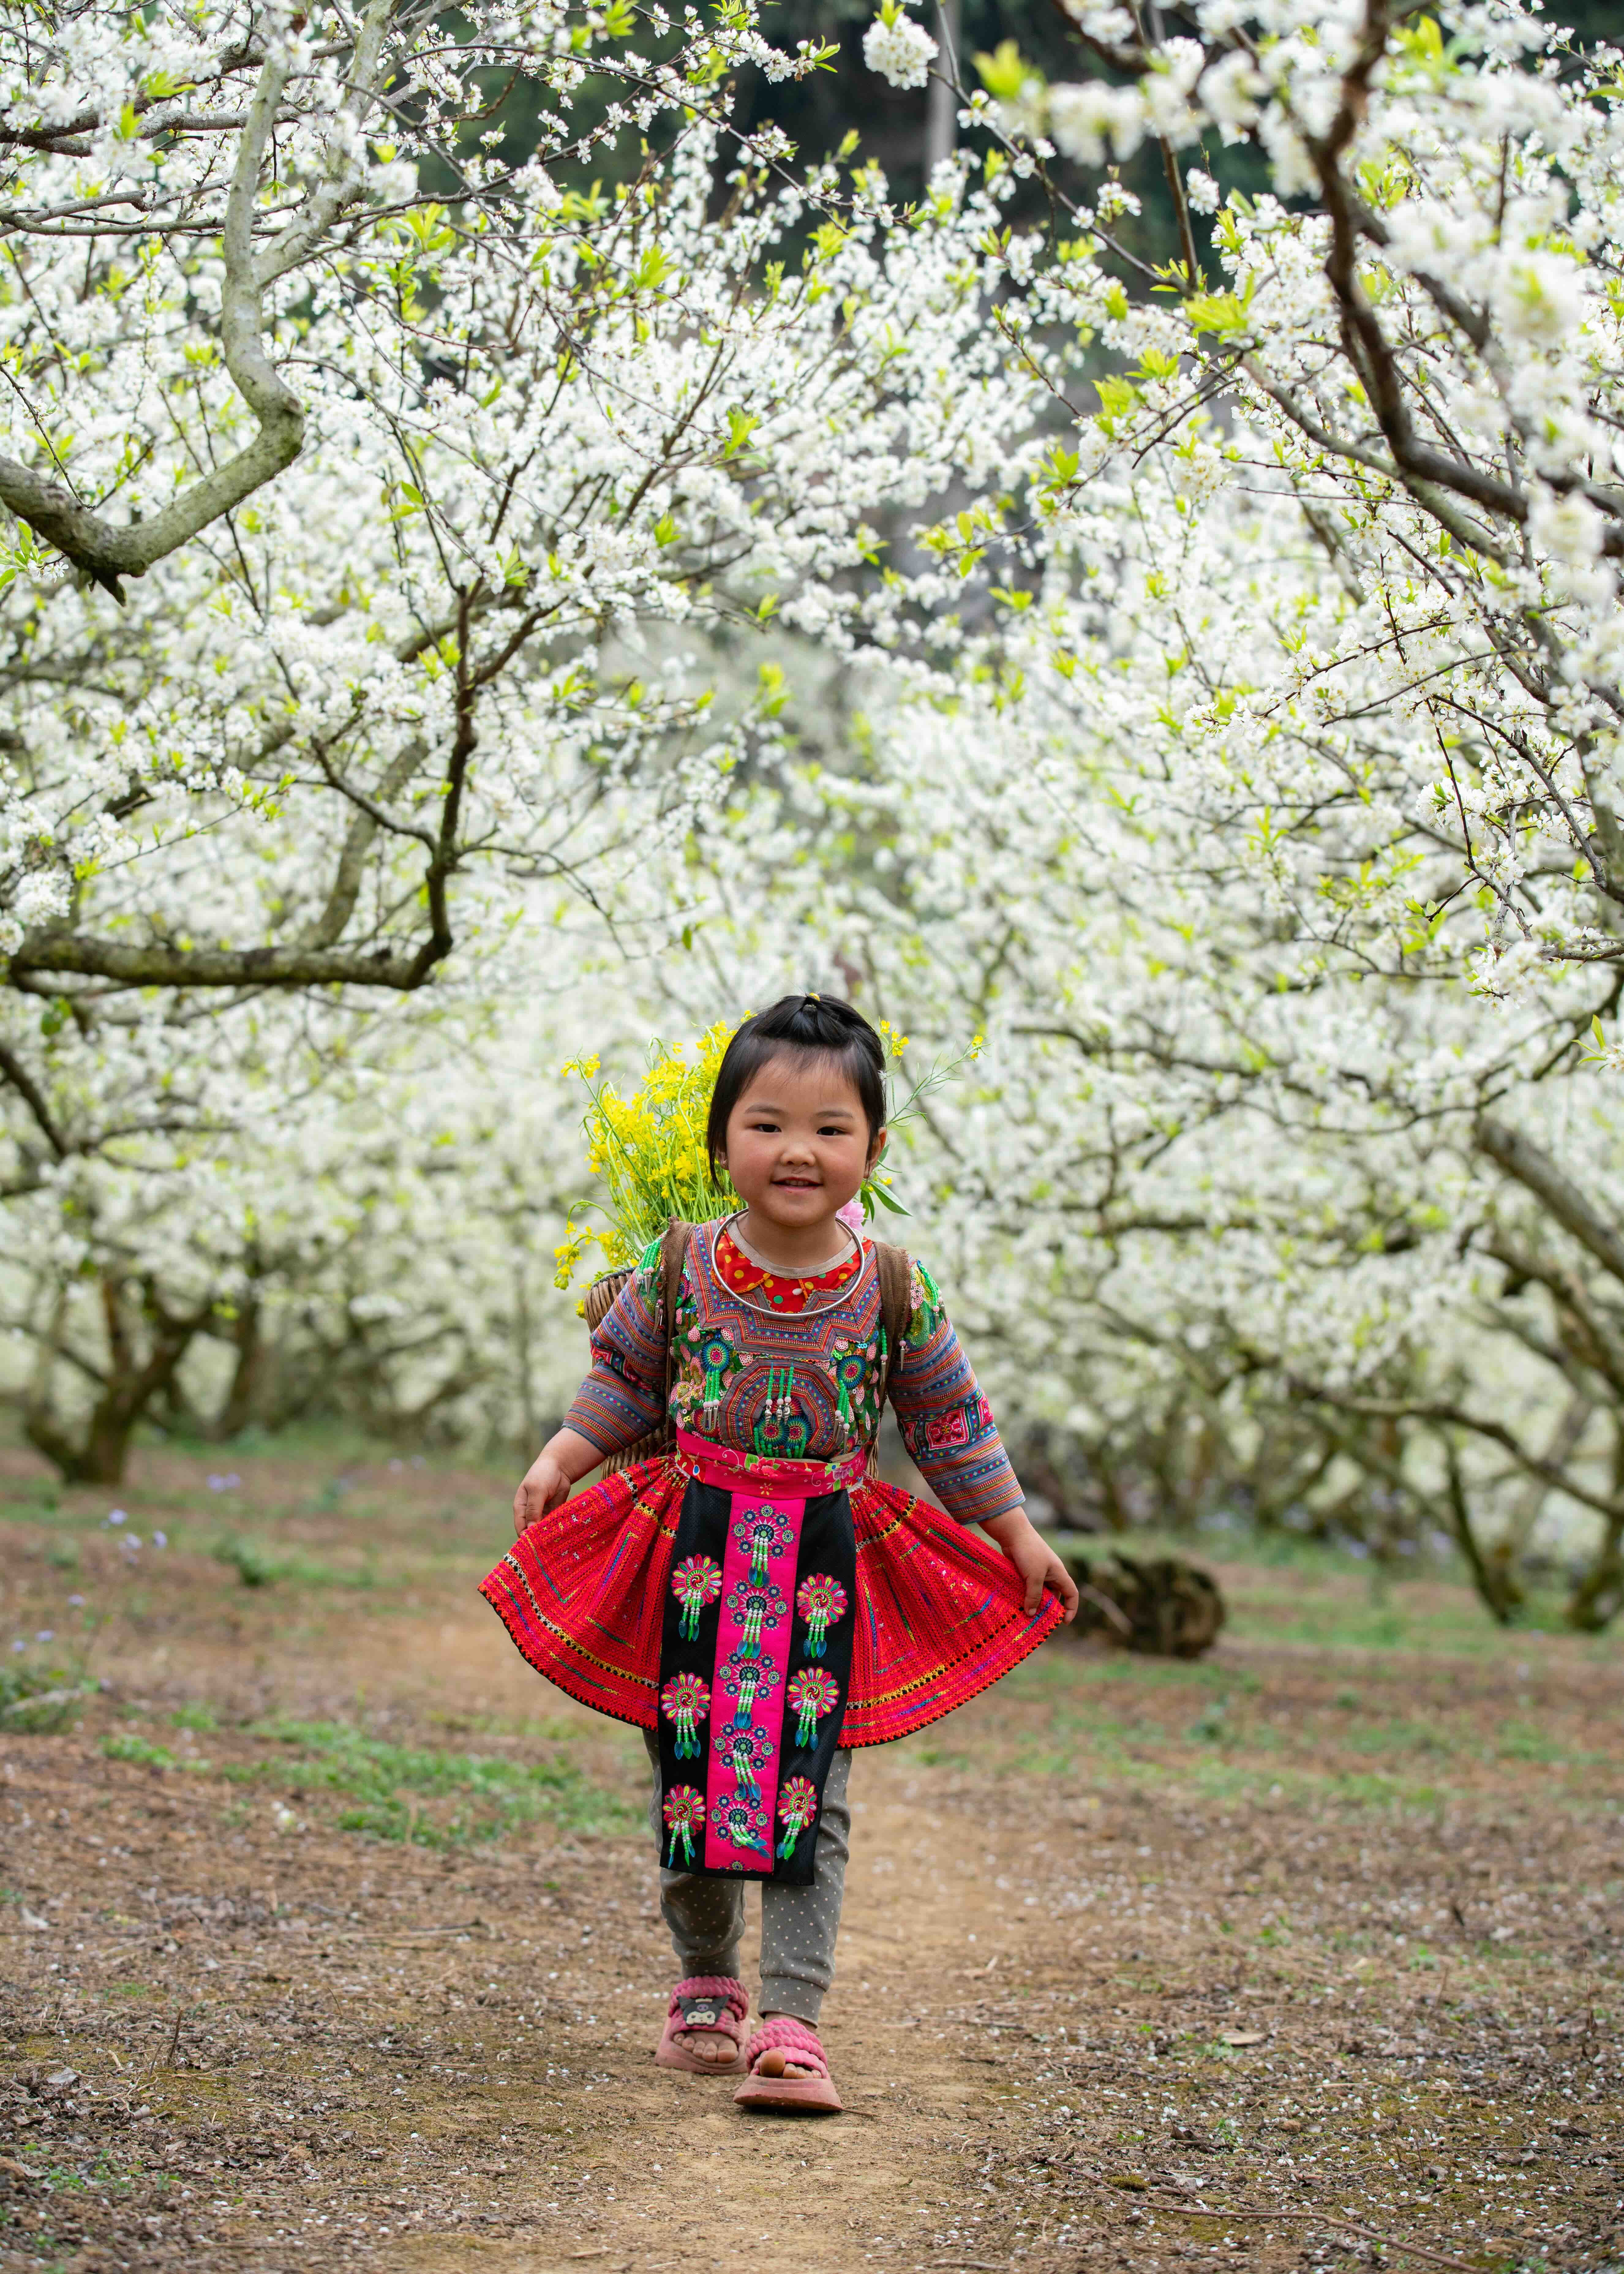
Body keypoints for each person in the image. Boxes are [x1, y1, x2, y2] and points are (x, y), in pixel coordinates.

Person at [483, 993, 1078, 2113]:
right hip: (695, 1548)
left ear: (876, 1147)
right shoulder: (679, 1264)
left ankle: (793, 2019)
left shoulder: (896, 1286)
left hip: (827, 1561)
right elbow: (622, 1380)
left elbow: (952, 1423)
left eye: (830, 1128)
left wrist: (1018, 1536)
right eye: (766, 1123)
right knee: (689, 1777)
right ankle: (705, 1980)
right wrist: (562, 1458)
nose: (797, 1151)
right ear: (721, 1143)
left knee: (817, 1781)